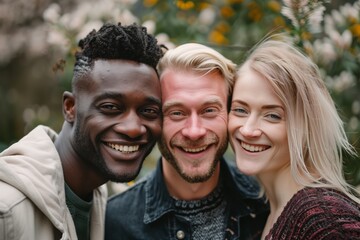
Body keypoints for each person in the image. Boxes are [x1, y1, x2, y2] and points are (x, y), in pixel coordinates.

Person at [0, 22, 164, 240]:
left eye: (149, 111)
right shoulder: (7, 210)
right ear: (70, 107)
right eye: (111, 107)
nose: (133, 128)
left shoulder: (101, 204)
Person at [105, 43, 269, 240]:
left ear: (229, 112)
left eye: (209, 110)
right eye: (176, 113)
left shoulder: (266, 202)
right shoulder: (113, 223)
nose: (194, 132)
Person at [228, 38, 360, 239]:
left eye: (272, 115)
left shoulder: (324, 221)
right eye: (240, 110)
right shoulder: (262, 214)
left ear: (305, 126)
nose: (248, 130)